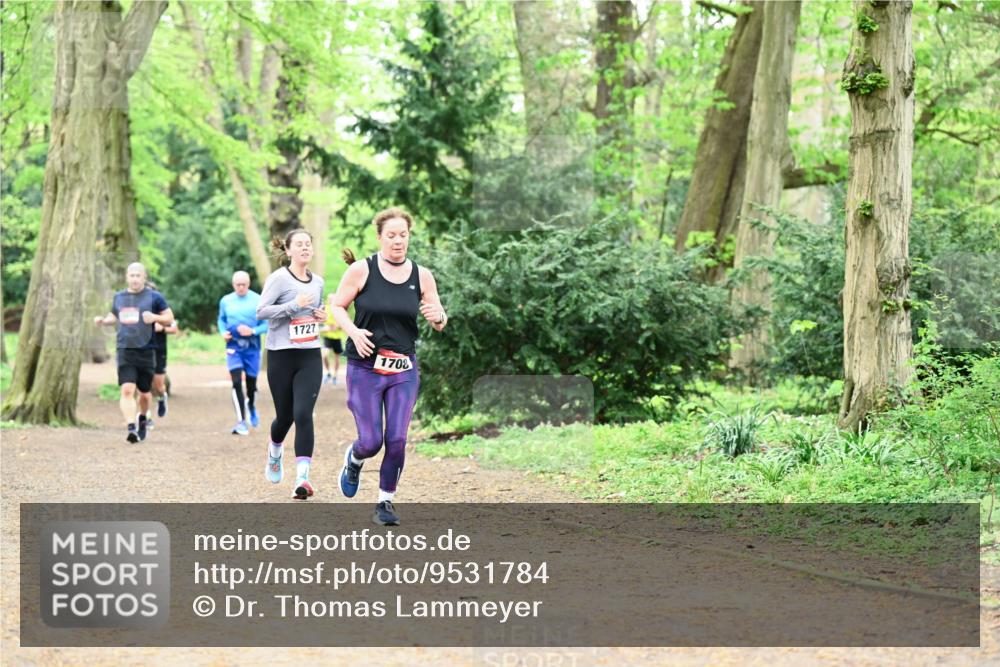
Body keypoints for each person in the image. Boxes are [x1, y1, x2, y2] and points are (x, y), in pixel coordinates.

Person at [330, 207, 448, 526]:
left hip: (403, 368)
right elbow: (337, 306)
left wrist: (439, 318)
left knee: (396, 439)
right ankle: (354, 460)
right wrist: (353, 331)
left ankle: (385, 501)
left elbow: (439, 317)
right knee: (372, 442)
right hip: (365, 367)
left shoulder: (421, 275)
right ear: (380, 238)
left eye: (403, 235)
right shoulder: (361, 270)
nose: (398, 241)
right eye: (392, 236)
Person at [256, 230, 326, 500]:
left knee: (304, 413)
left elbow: (314, 312)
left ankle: (302, 478)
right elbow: (261, 311)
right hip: (281, 354)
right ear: (288, 251)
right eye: (299, 244)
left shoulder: (318, 281)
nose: (305, 248)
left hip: (309, 354)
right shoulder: (278, 279)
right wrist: (292, 306)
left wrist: (321, 315)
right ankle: (275, 451)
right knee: (284, 417)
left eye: (308, 244)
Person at [94, 263, 174, 443]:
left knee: (145, 393)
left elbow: (169, 318)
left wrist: (155, 318)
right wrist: (103, 321)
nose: (135, 279)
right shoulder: (119, 297)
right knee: (127, 389)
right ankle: (131, 427)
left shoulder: (154, 297)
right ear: (127, 277)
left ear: (144, 278)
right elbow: (114, 316)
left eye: (138, 275)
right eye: (132, 275)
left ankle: (142, 418)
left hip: (146, 350)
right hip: (125, 349)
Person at [218, 271, 267, 435]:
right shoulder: (226, 300)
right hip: (233, 347)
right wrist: (223, 332)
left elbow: (267, 324)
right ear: (233, 285)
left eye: (243, 285)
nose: (240, 288)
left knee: (251, 386)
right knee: (237, 382)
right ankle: (241, 422)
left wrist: (252, 331)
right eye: (237, 285)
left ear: (248, 284)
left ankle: (251, 406)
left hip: (252, 348)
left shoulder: (258, 300)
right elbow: (221, 320)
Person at [144, 281, 178, 430]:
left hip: (159, 350)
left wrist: (161, 328)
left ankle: (162, 397)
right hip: (144, 351)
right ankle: (147, 417)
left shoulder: (162, 311)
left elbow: (174, 329)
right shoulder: (140, 312)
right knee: (145, 385)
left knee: (158, 385)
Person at [321, 308, 346, 385]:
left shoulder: (340, 310)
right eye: (330, 299)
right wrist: (324, 328)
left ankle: (335, 376)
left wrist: (337, 326)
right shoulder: (326, 309)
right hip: (327, 338)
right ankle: (328, 373)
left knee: (337, 358)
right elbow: (321, 324)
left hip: (337, 338)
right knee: (324, 355)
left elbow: (344, 325)